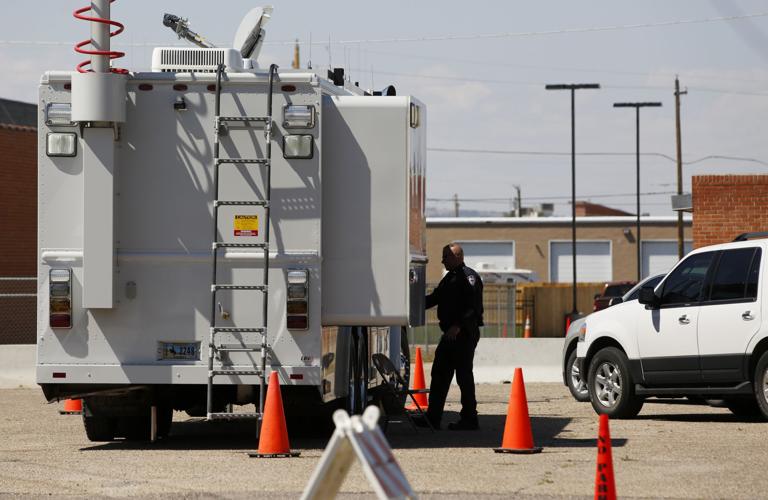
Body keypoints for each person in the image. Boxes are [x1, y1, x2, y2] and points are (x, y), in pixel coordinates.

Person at [417, 243, 484, 430]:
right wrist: (411, 305)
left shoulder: (468, 277)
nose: (442, 260)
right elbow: (434, 298)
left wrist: (458, 326)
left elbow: (474, 307)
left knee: (463, 376)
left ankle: (470, 419)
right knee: (439, 374)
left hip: (463, 334)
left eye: (446, 256)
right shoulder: (449, 279)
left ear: (458, 257)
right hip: (449, 335)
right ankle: (433, 417)